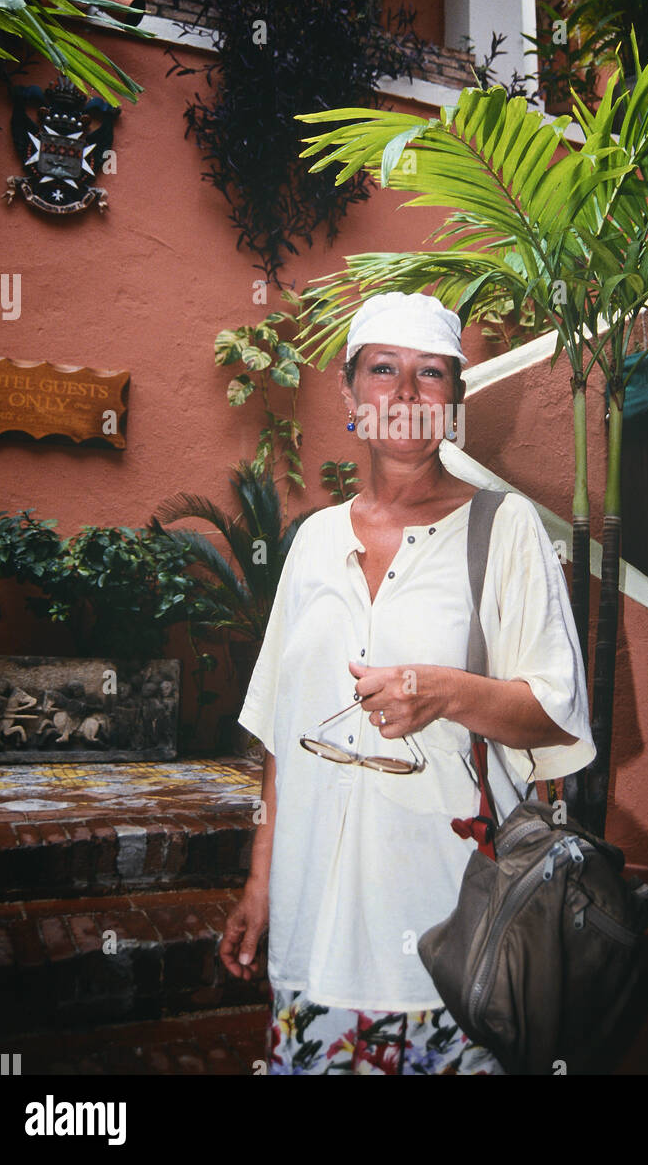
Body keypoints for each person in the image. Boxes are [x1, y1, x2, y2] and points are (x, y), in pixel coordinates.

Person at [219, 291, 595, 1075]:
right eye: (383, 370)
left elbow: (557, 724)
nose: (405, 393)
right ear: (349, 393)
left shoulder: (506, 529)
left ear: (453, 402)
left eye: (431, 375)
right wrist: (260, 883)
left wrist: (444, 692)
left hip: (455, 941)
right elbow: (282, 739)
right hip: (313, 936)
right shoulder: (313, 543)